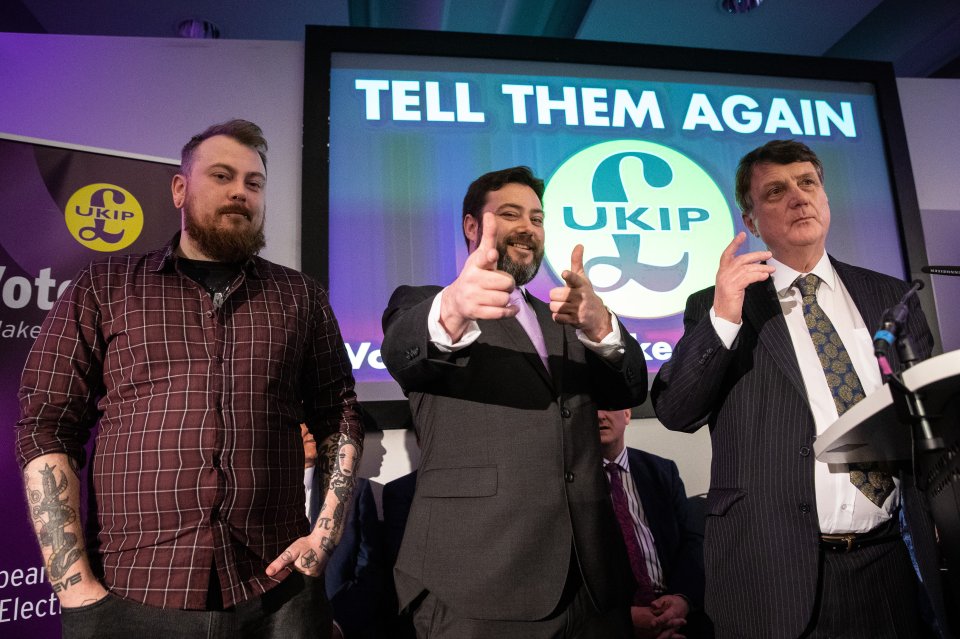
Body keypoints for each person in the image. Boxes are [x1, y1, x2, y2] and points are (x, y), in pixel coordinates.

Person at [16, 119, 363, 639]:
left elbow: (340, 414)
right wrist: (74, 587)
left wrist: (326, 535)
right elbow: (47, 425)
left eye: (253, 182)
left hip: (278, 591)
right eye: (222, 176)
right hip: (132, 593)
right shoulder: (104, 287)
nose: (239, 192)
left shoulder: (300, 297)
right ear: (180, 188)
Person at [651, 140, 949, 638]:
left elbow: (928, 421)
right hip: (773, 573)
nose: (798, 197)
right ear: (750, 222)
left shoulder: (888, 295)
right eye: (775, 191)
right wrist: (725, 314)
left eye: (807, 183)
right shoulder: (723, 302)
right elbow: (677, 410)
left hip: (890, 563)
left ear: (826, 199)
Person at [380, 166, 648, 638]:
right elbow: (402, 349)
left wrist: (601, 325)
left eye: (537, 218)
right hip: (478, 582)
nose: (528, 227)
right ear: (471, 226)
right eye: (510, 214)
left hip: (591, 585)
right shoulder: (428, 303)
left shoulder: (566, 318)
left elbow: (630, 389)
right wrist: (453, 307)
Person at [597, 408, 708, 639]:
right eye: (591, 408)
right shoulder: (568, 483)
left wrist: (681, 600)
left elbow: (693, 542)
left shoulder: (662, 471)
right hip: (613, 620)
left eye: (608, 406)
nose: (599, 415)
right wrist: (623, 620)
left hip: (675, 610)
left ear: (627, 415)